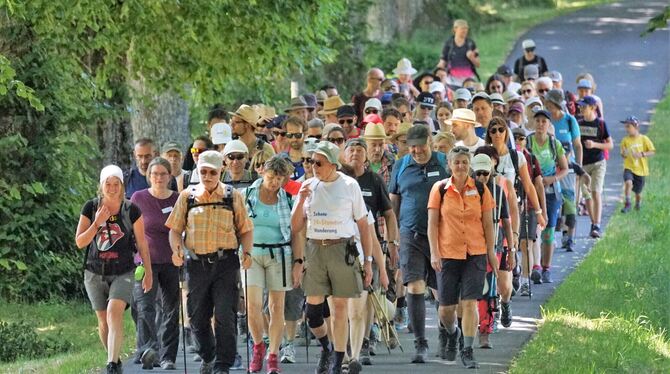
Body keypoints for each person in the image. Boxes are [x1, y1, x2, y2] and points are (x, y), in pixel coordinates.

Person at [166, 150, 254, 374]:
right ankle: (209, 355)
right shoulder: (187, 196)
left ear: (220, 171)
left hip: (226, 263)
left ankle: (223, 365)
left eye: (212, 172)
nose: (207, 176)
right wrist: (177, 251)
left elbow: (245, 230)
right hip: (197, 265)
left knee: (225, 315)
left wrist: (247, 253)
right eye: (203, 171)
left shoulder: (232, 196)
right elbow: (175, 230)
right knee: (197, 318)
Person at [290, 141, 373, 374]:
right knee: (313, 313)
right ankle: (326, 347)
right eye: (311, 162)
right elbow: (295, 226)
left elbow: (364, 225)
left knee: (339, 308)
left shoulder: (349, 185)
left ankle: (338, 362)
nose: (313, 166)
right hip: (315, 249)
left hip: (342, 248)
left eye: (319, 162)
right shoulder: (307, 185)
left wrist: (367, 261)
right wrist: (303, 200)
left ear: (333, 165)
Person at [75, 165, 153, 374]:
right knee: (102, 319)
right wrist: (97, 224)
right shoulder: (90, 208)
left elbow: (142, 244)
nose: (111, 188)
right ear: (101, 186)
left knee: (114, 311)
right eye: (107, 184)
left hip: (123, 271)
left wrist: (148, 272)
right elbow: (80, 242)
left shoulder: (131, 210)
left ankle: (110, 365)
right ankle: (115, 360)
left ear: (121, 186)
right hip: (94, 271)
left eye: (115, 184)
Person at [427, 147, 497, 369]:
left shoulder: (481, 190)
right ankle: (451, 331)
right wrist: (434, 252)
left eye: (465, 162)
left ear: (470, 165)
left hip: (475, 252)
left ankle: (467, 349)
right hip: (448, 253)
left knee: (469, 303)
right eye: (456, 162)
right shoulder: (440, 190)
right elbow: (432, 224)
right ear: (449, 164)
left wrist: (491, 252)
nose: (461, 166)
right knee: (446, 309)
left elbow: (487, 223)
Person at [389, 125, 450, 363]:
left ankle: (446, 335)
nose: (416, 150)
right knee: (414, 286)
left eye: (420, 145)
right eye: (412, 146)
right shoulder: (401, 165)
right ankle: (420, 344)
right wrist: (392, 238)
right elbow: (393, 202)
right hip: (410, 234)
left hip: (442, 235)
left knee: (441, 292)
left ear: (430, 143)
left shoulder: (444, 162)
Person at [242, 155, 302, 374]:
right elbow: (239, 225)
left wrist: (298, 262)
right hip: (252, 252)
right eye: (271, 177)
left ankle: (274, 354)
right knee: (253, 306)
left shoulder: (287, 198)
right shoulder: (247, 195)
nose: (274, 182)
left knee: (277, 306)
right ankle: (259, 345)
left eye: (279, 178)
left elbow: (296, 233)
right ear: (262, 173)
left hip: (280, 252)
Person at [343, 138, 394, 369]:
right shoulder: (336, 181)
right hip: (336, 254)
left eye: (359, 150)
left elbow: (387, 214)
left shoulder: (374, 180)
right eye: (350, 149)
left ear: (366, 156)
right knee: (341, 308)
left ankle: (361, 346)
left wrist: (390, 247)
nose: (354, 153)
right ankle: (341, 350)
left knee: (361, 306)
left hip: (367, 249)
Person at [130, 158, 180, 370]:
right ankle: (148, 350)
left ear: (169, 176)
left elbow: (184, 229)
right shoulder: (138, 197)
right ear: (149, 176)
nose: (159, 178)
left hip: (171, 261)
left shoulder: (178, 199)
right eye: (155, 174)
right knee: (144, 306)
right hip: (145, 261)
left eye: (163, 174)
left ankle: (168, 355)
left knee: (171, 309)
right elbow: (129, 228)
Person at [471, 148, 516, 348]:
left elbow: (506, 222)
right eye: (478, 173)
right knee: (471, 290)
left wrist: (511, 250)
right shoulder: (467, 190)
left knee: (488, 290)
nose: (481, 177)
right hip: (469, 246)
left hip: (493, 246)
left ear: (492, 172)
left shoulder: (498, 192)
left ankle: (485, 331)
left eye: (485, 173)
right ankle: (468, 327)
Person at [526, 110, 569, 284]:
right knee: (533, 230)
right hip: (531, 190)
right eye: (538, 120)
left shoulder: (554, 143)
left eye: (544, 121)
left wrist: (553, 178)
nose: (540, 124)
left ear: (549, 124)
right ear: (533, 122)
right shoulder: (528, 142)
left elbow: (565, 168)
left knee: (549, 231)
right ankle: (533, 266)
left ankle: (546, 268)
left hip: (551, 191)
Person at [544, 89, 583, 247]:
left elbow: (577, 145)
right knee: (554, 201)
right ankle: (552, 235)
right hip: (551, 167)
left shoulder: (569, 120)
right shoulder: (546, 120)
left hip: (568, 167)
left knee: (569, 200)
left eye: (550, 104)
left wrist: (579, 166)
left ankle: (569, 236)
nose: (548, 107)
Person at [512, 127, 547, 297]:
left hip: (530, 207)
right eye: (515, 138)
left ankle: (525, 281)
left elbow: (538, 185)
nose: (518, 141)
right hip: (512, 207)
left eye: (522, 138)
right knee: (512, 245)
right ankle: (516, 272)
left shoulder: (531, 159)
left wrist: (542, 211)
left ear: (526, 141)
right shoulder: (508, 158)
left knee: (527, 244)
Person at [577, 95, 612, 238]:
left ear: (593, 108)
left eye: (584, 107)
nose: (581, 109)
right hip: (583, 165)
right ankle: (593, 224)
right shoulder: (578, 123)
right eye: (580, 106)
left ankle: (597, 224)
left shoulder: (601, 124)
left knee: (596, 191)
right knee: (587, 196)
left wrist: (595, 145)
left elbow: (610, 144)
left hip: (598, 162)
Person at [619, 116, 655, 212]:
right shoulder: (625, 140)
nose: (626, 129)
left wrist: (642, 154)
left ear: (636, 127)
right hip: (629, 167)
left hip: (640, 169)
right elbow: (622, 154)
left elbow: (652, 151)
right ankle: (627, 204)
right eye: (626, 127)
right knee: (628, 182)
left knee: (638, 192)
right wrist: (624, 154)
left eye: (629, 126)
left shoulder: (644, 139)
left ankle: (638, 205)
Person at [437, 19, 480, 86]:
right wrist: (438, 71)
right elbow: (442, 61)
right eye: (462, 28)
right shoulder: (448, 44)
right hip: (452, 80)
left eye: (466, 28)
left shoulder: (471, 43)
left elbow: (478, 64)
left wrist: (471, 58)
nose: (465, 30)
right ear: (455, 29)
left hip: (469, 80)